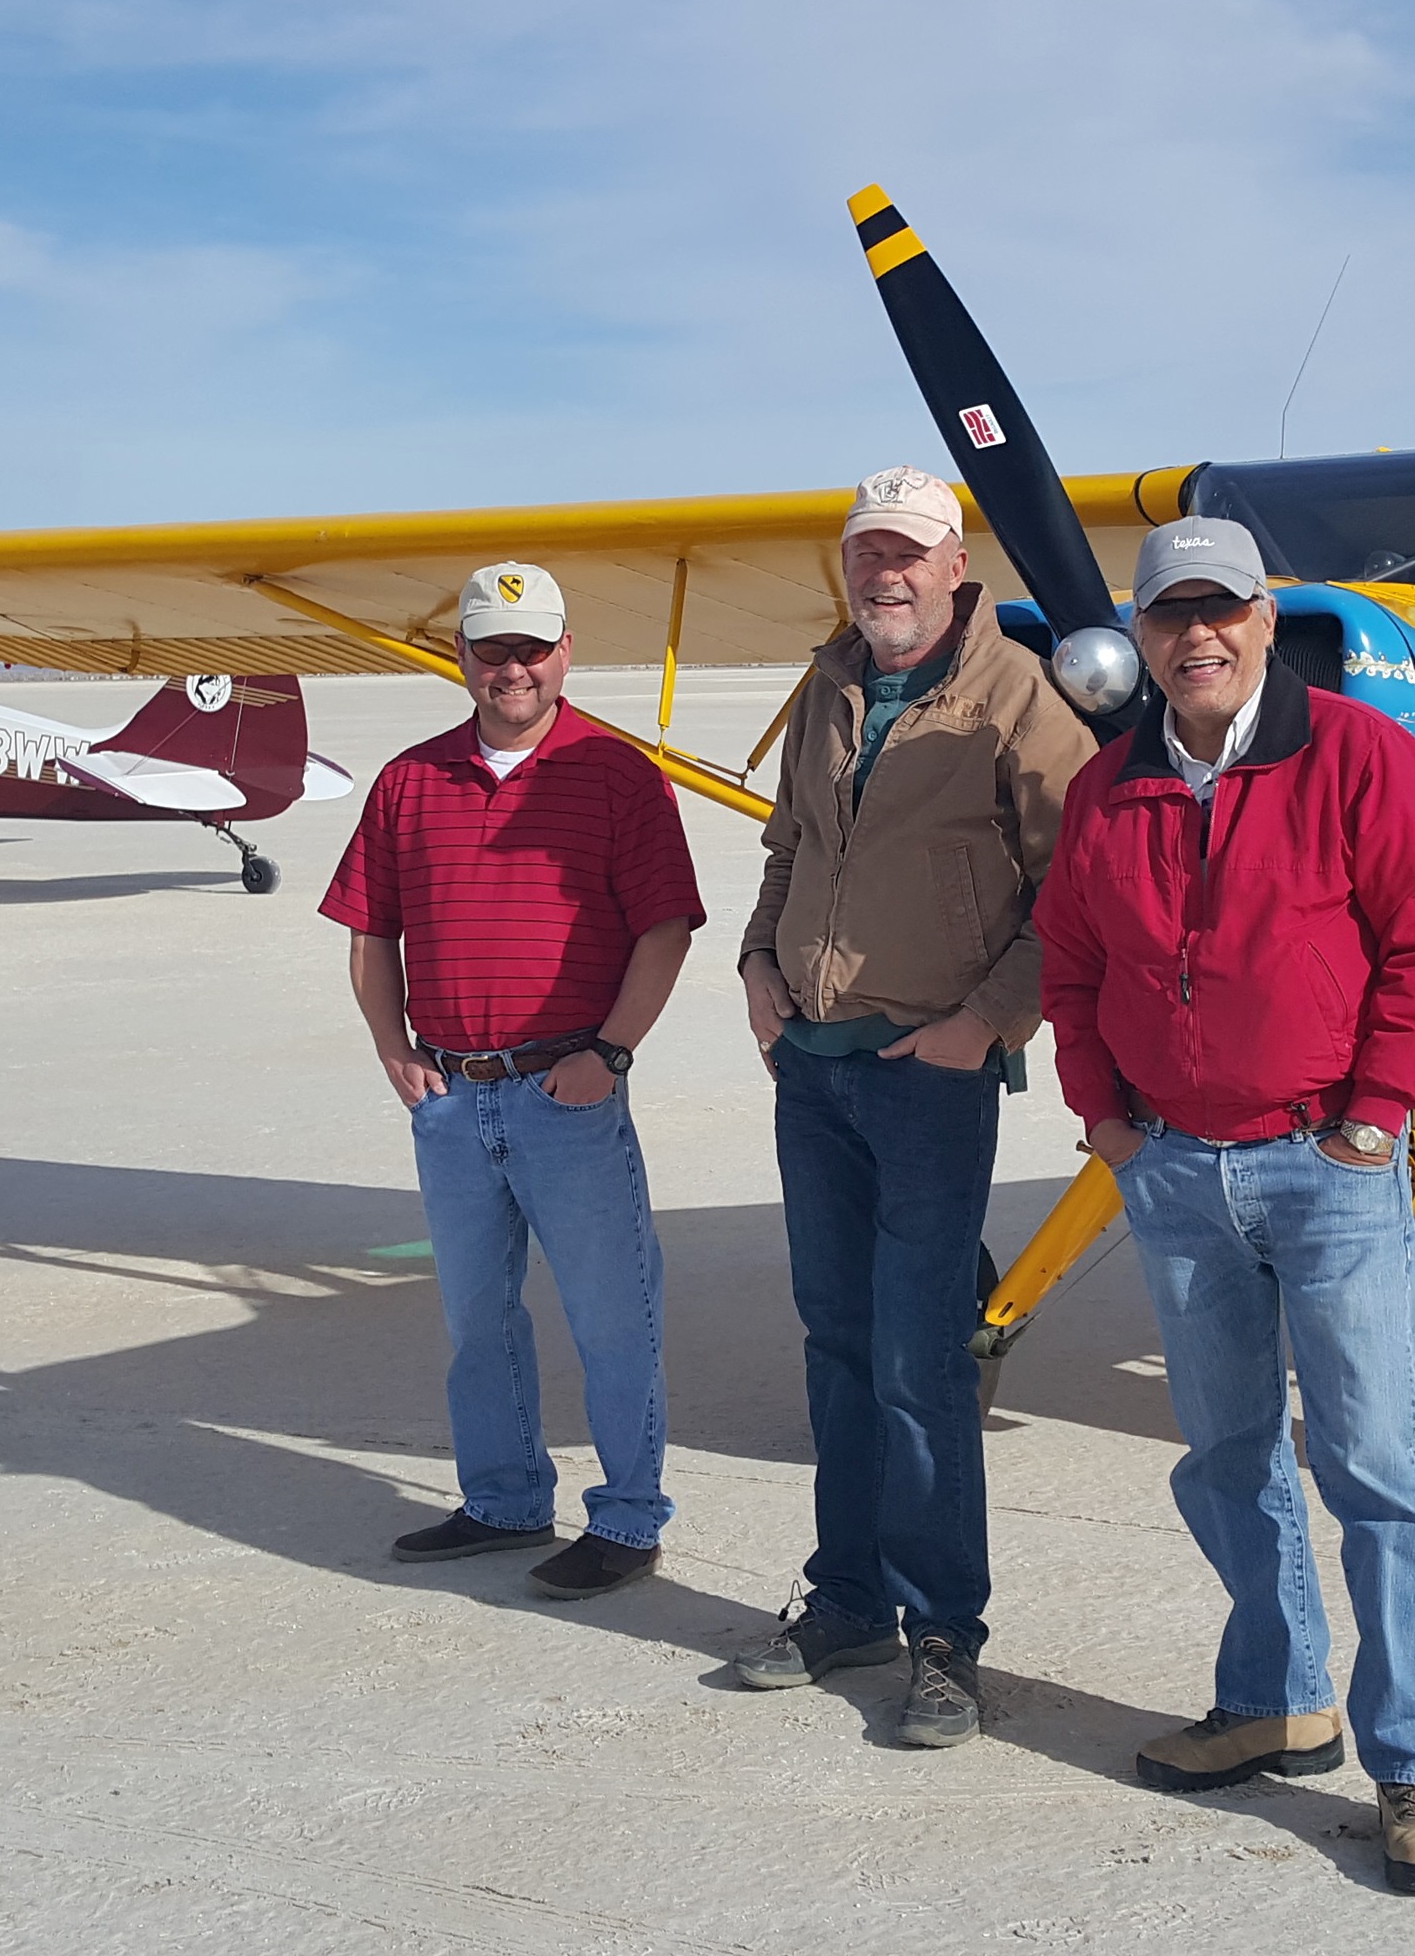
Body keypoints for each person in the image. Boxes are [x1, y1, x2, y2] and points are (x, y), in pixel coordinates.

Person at [1033, 514, 1415, 1895]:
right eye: (1172, 615)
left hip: (1328, 1168)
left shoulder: (1360, 757)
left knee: (1373, 1469)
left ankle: (1410, 1763)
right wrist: (1103, 1115)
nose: (1199, 636)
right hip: (1174, 1169)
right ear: (1144, 633)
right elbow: (1068, 962)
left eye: (1221, 608)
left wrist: (1379, 1108)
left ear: (1265, 613)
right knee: (1226, 1457)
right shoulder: (1108, 789)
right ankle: (1276, 1698)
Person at [731, 466, 1093, 1747]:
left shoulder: (1016, 698)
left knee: (918, 1360)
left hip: (926, 1077)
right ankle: (846, 1603)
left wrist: (985, 1022)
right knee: (834, 1343)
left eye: (906, 554)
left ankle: (945, 1635)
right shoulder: (831, 681)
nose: (883, 574)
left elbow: (1078, 890)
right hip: (812, 1067)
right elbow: (787, 846)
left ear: (954, 566)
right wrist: (759, 969)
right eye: (865, 554)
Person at [320, 560, 705, 1601]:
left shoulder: (616, 774)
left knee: (613, 1314)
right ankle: (501, 1499)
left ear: (565, 653)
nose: (515, 668)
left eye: (533, 648)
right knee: (475, 1318)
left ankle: (628, 1518)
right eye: (494, 649)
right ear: (465, 659)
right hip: (450, 1096)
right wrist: (393, 1050)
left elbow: (664, 927)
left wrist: (610, 1054)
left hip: (565, 1091)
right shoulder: (412, 780)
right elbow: (371, 933)